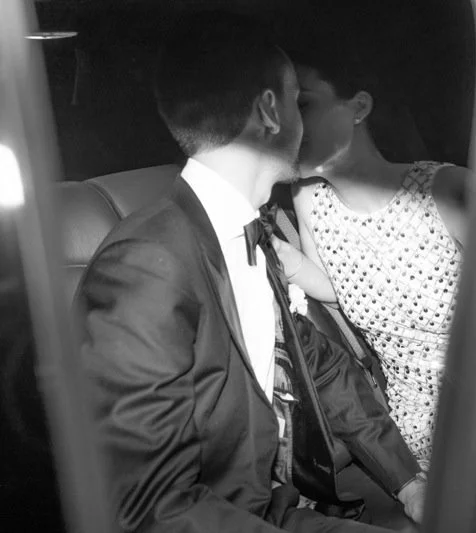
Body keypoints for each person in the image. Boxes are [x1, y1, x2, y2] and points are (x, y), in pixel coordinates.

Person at [72, 13, 425, 533]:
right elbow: (151, 506)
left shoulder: (248, 231)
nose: (303, 122)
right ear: (269, 111)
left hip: (276, 506)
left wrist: (410, 482)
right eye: (296, 102)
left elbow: (319, 366)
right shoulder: (149, 262)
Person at [271, 46, 470, 471]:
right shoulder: (307, 197)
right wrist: (274, 253)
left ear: (359, 106)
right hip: (412, 440)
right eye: (281, 108)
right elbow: (336, 286)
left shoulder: (448, 190)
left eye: (304, 103)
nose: (288, 124)